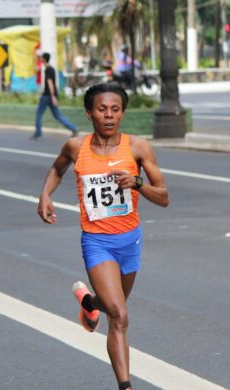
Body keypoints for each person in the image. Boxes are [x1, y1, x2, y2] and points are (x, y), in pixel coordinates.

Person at [37, 83, 169, 390]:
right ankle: (125, 386)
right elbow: (57, 169)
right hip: (97, 242)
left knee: (111, 305)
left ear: (122, 113)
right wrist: (45, 194)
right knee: (120, 316)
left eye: (115, 109)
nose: (109, 115)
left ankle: (88, 302)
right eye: (101, 109)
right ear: (89, 113)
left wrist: (137, 183)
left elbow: (163, 197)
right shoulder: (76, 147)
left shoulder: (137, 148)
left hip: (130, 241)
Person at [32, 52, 78, 140]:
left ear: (44, 59)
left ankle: (38, 134)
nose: (40, 59)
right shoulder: (51, 69)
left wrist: (52, 96)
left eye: (41, 58)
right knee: (58, 115)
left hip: (47, 96)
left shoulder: (48, 70)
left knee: (38, 114)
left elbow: (50, 83)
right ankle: (74, 129)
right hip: (50, 95)